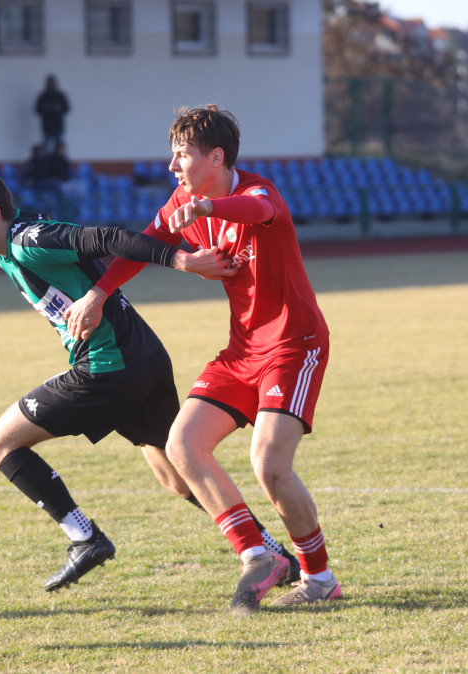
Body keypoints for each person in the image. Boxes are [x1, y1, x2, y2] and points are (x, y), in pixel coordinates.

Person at [0, 171, 297, 592]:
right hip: (145, 360)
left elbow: (108, 237)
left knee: (0, 443)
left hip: (108, 368)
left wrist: (182, 261)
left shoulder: (32, 239)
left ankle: (84, 537)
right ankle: (270, 552)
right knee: (177, 475)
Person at [65, 105, 341, 613]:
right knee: (182, 445)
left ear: (216, 157)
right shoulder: (181, 201)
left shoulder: (258, 194)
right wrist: (98, 294)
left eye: (182, 155)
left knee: (269, 466)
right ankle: (258, 555)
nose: (172, 166)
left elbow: (256, 212)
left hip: (294, 345)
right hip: (242, 351)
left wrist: (208, 209)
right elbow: (142, 247)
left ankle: (320, 579)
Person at [35, 74, 70, 150]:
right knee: (45, 149)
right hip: (47, 127)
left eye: (52, 83)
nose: (51, 85)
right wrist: (45, 108)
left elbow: (67, 108)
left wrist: (59, 108)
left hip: (58, 126)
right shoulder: (43, 96)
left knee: (59, 149)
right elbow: (37, 110)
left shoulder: (60, 96)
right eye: (49, 83)